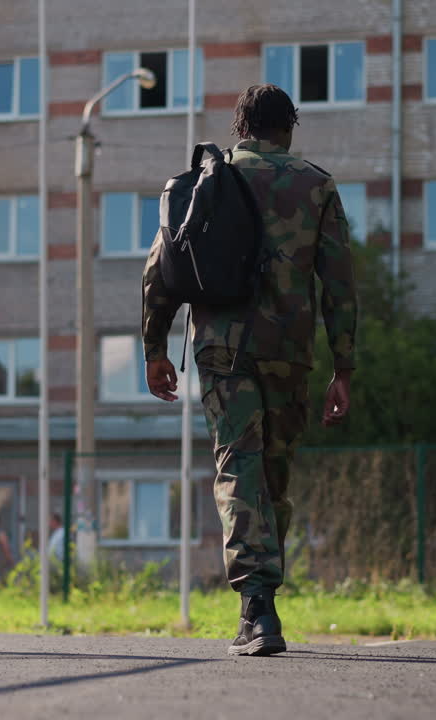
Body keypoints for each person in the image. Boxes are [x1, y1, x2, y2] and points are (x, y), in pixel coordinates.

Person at [142, 83, 358, 657]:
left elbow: (162, 267)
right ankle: (261, 602)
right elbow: (339, 283)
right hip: (290, 353)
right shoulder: (316, 185)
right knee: (274, 476)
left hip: (221, 350)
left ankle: (256, 608)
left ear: (239, 126)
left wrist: (154, 348)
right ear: (289, 126)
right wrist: (344, 368)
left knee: (239, 466)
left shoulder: (209, 179)